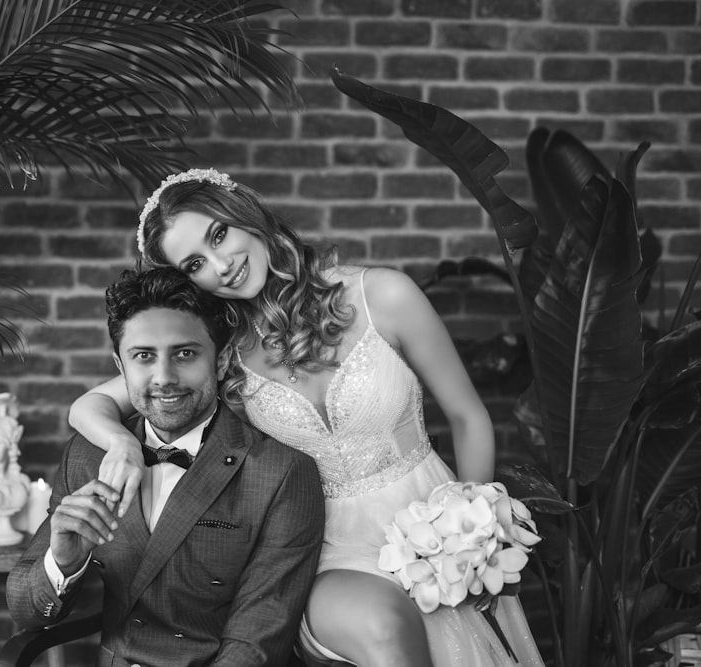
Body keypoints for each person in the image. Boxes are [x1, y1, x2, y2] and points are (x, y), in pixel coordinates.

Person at [67, 169, 546, 666]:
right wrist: (123, 445)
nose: (221, 264)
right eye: (195, 264)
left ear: (245, 214)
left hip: (434, 518)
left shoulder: (383, 295)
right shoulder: (219, 354)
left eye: (218, 234)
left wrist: (473, 533)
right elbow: (89, 406)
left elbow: (468, 417)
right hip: (322, 553)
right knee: (383, 625)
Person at [7, 267, 325, 666]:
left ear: (222, 359)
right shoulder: (87, 456)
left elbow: (256, 640)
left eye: (185, 354)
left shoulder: (283, 473)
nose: (164, 378)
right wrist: (63, 563)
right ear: (121, 367)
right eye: (143, 356)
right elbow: (26, 609)